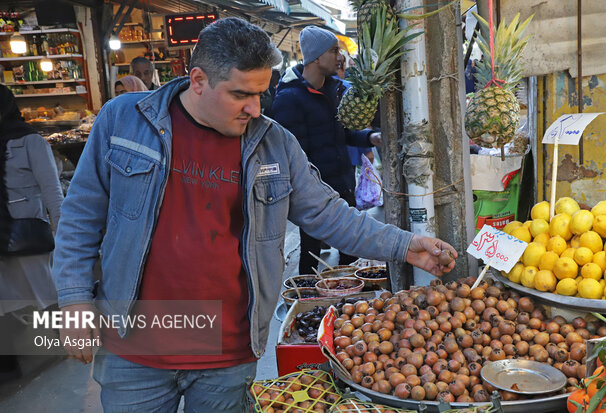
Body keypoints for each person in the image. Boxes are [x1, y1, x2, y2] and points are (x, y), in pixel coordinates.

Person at [52, 17, 457, 412]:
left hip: (227, 354)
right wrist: (73, 300)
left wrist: (405, 245)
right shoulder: (125, 119)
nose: (255, 107)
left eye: (262, 93)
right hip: (134, 352)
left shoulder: (274, 143)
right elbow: (81, 215)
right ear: (198, 81)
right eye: (241, 94)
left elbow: (328, 214)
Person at [271, 26, 382, 274]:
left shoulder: (335, 89)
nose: (340, 57)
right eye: (334, 51)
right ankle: (304, 301)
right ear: (316, 57)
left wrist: (370, 137)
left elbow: (342, 132)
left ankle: (348, 303)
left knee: (351, 251)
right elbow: (292, 154)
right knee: (311, 255)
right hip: (312, 193)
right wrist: (308, 191)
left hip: (343, 184)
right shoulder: (289, 98)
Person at [0, 85, 63, 377]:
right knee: (17, 297)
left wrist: (65, 236)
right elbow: (52, 191)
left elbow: (52, 191)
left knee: (45, 292)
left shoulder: (31, 143)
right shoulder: (28, 141)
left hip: (24, 233)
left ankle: (65, 339)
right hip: (14, 235)